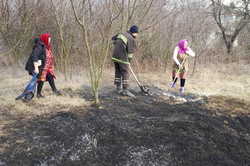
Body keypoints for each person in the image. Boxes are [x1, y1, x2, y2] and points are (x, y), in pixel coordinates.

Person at [25, 33, 61, 98]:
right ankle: (36, 94)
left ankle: (54, 90)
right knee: (41, 79)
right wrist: (36, 67)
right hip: (38, 67)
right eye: (48, 38)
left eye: (50, 38)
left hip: (45, 67)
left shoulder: (46, 47)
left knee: (50, 76)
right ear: (45, 39)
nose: (50, 40)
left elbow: (48, 57)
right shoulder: (39, 46)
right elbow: (34, 56)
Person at [111, 25, 139, 97]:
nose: (137, 34)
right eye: (136, 33)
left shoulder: (121, 34)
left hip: (115, 56)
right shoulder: (131, 38)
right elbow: (130, 53)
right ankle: (125, 90)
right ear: (133, 32)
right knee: (125, 72)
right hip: (122, 57)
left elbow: (113, 38)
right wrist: (128, 62)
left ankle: (118, 88)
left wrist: (117, 44)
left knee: (118, 71)